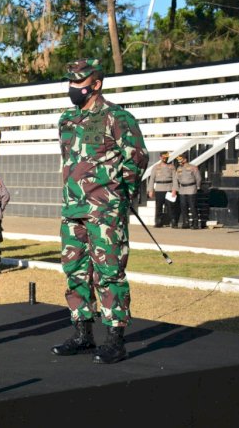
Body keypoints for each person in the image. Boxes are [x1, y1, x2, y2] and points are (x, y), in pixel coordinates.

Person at [51, 58, 148, 365]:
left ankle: (115, 339)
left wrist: (119, 196)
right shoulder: (67, 119)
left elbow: (138, 159)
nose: (73, 89)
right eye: (70, 83)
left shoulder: (116, 117)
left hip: (105, 211)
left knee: (109, 273)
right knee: (74, 271)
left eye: (79, 84)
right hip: (73, 209)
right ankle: (82, 334)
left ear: (96, 84)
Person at [171, 153, 201, 229]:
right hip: (182, 189)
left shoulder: (193, 167)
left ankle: (195, 223)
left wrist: (197, 187)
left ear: (185, 159)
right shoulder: (179, 168)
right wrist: (175, 189)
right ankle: (185, 222)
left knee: (192, 206)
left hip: (191, 188)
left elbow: (198, 178)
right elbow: (176, 179)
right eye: (178, 160)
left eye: (181, 159)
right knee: (183, 206)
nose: (179, 161)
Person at [147, 151, 176, 227]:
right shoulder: (156, 167)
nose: (164, 158)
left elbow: (175, 179)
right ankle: (158, 222)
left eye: (166, 157)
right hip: (159, 188)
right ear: (160, 157)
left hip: (169, 187)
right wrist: (150, 190)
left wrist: (174, 190)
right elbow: (152, 179)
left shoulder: (171, 167)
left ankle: (173, 221)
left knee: (170, 206)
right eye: (163, 157)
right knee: (159, 206)